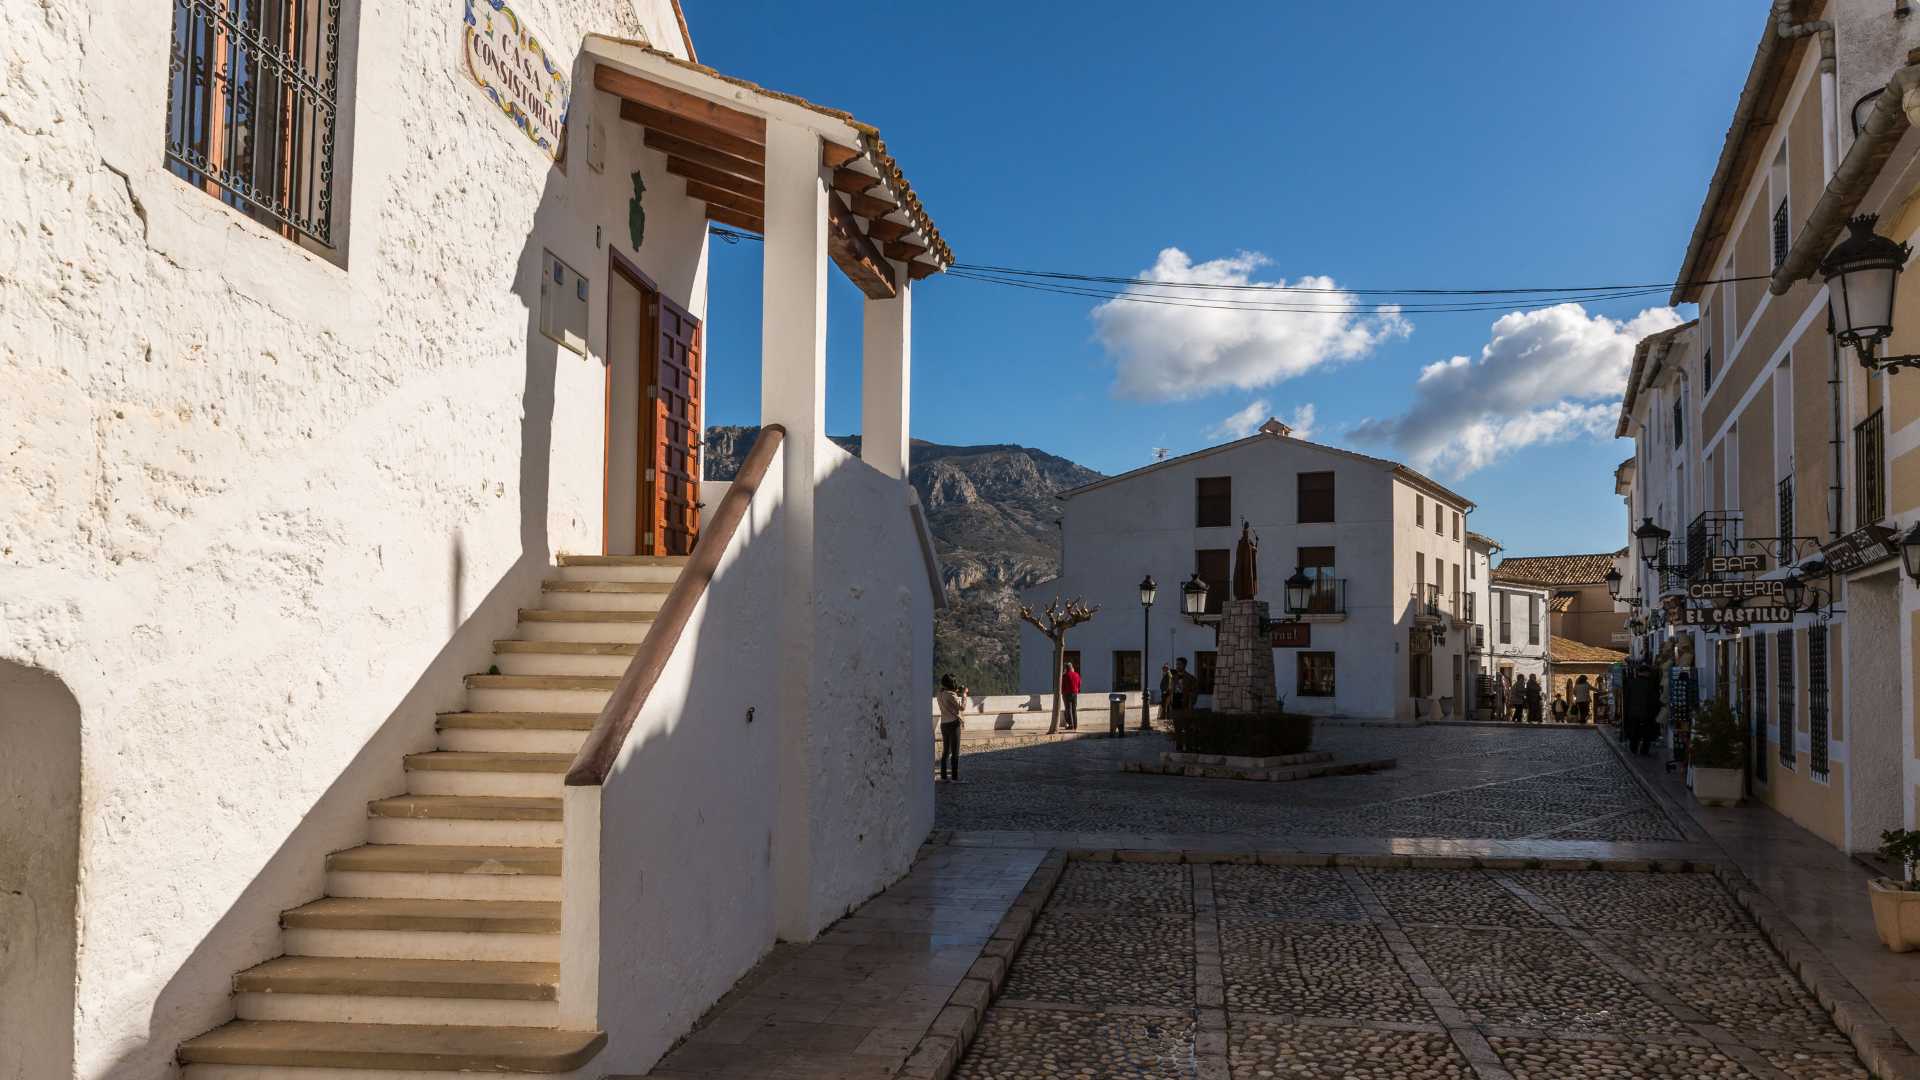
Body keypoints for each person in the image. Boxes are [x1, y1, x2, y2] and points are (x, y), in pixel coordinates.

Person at [936, 674, 967, 783]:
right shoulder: (951, 695)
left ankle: (943, 776)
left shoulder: (940, 694)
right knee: (955, 752)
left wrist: (957, 692)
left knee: (946, 751)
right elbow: (962, 707)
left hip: (943, 723)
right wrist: (964, 695)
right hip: (953, 724)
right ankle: (954, 777)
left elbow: (949, 700)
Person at [1060, 661, 1081, 730]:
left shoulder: (1065, 676)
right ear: (1072, 667)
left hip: (1067, 694)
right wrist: (1077, 690)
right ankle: (1075, 725)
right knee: (1074, 710)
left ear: (1066, 668)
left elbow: (1062, 686)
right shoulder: (1077, 675)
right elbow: (1079, 684)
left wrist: (1062, 692)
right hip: (1075, 693)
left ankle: (1071, 725)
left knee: (1068, 709)